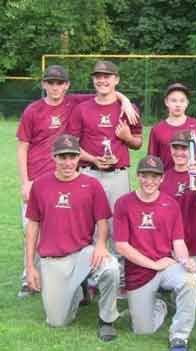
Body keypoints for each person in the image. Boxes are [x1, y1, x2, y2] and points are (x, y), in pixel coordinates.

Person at [16, 64, 137, 297]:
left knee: (67, 229)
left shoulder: (73, 102)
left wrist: (125, 100)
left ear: (67, 85)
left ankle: (80, 278)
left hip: (67, 175)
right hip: (37, 177)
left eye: (59, 83)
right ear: (43, 84)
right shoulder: (33, 110)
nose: (55, 87)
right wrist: (25, 181)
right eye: (50, 82)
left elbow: (105, 92)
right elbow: (22, 147)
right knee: (31, 228)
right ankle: (29, 277)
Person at [25, 134, 120, 341]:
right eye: (62, 156)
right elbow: (32, 227)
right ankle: (80, 290)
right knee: (58, 322)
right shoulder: (40, 185)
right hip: (53, 260)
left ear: (79, 157)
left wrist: (102, 244)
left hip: (82, 253)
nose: (68, 162)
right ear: (53, 157)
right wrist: (30, 266)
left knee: (111, 267)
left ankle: (106, 319)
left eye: (72, 156)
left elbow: (103, 221)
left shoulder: (92, 185)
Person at [67, 60, 143, 294]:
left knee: (117, 226)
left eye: (107, 76)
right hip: (90, 174)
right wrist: (92, 158)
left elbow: (138, 143)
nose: (102, 80)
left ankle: (118, 277)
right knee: (87, 226)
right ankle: (89, 279)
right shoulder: (83, 108)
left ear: (116, 80)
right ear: (93, 80)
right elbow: (71, 144)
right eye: (98, 76)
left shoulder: (127, 109)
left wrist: (127, 137)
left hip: (117, 175)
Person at [114, 155, 196, 351]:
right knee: (143, 330)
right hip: (139, 272)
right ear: (138, 176)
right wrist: (154, 264)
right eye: (145, 176)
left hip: (165, 267)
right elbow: (121, 246)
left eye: (155, 176)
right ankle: (160, 305)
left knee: (191, 280)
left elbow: (178, 241)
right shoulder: (124, 203)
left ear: (162, 179)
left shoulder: (170, 205)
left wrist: (186, 261)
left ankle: (179, 335)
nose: (149, 181)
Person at [159, 131, 196, 276]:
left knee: (191, 285)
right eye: (175, 148)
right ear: (170, 149)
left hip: (195, 243)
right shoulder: (164, 177)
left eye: (184, 148)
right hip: (168, 244)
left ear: (192, 150)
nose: (179, 153)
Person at [148, 83, 196, 170]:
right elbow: (152, 160)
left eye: (182, 101)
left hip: (191, 180)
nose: (178, 104)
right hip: (166, 179)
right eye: (174, 100)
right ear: (166, 102)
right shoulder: (157, 129)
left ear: (187, 102)